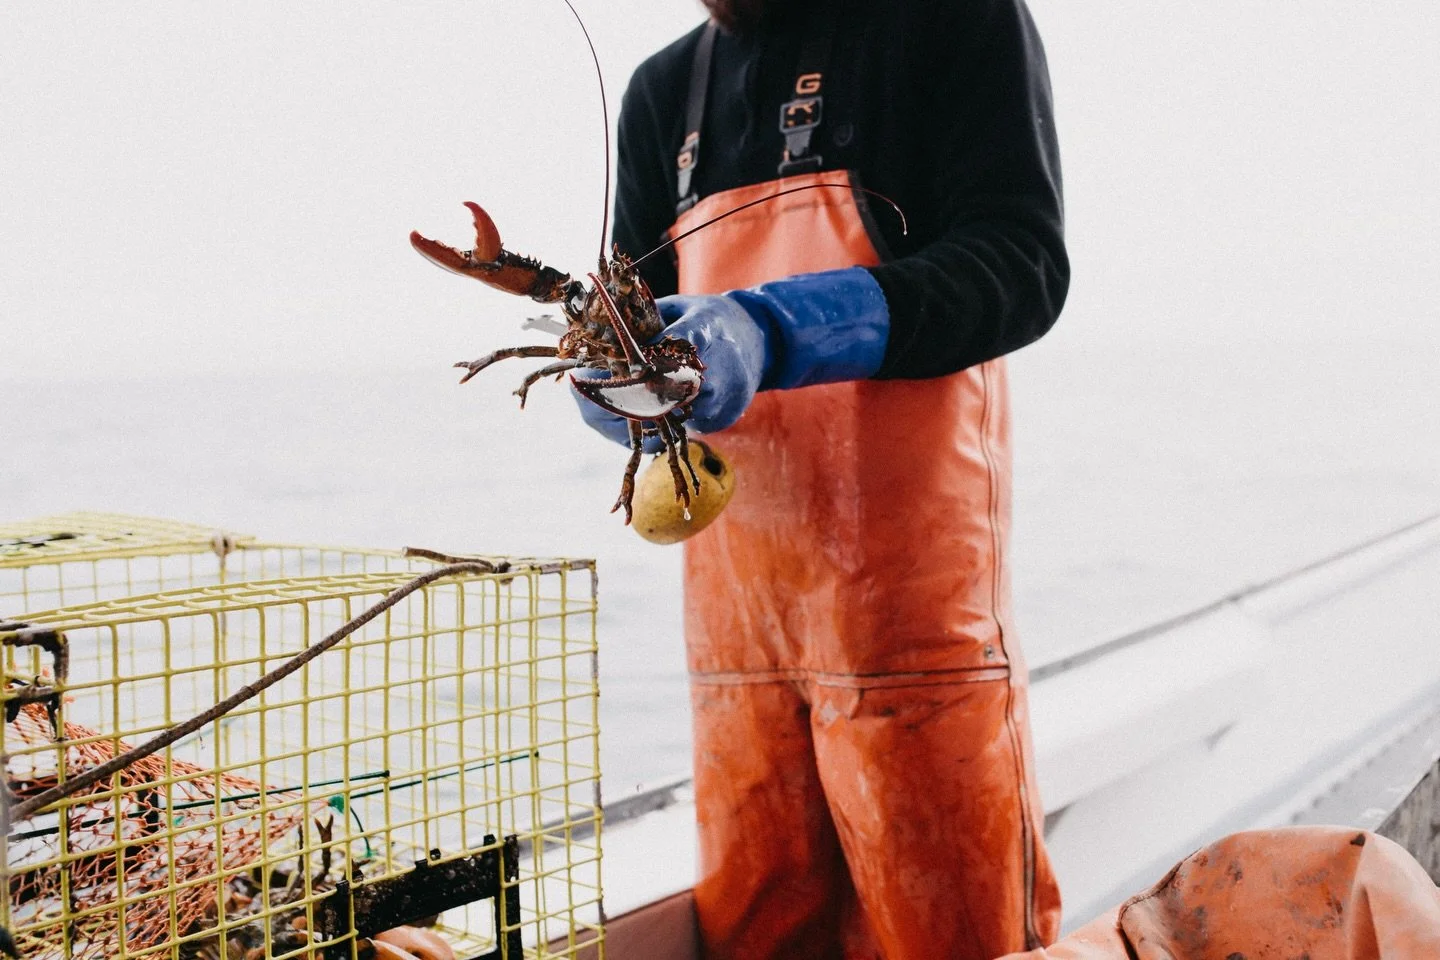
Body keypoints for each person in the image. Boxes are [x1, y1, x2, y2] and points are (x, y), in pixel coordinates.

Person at [576, 0, 1068, 956]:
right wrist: (610, 380)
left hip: (916, 631)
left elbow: (1023, 260)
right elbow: (625, 306)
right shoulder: (658, 95)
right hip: (734, 647)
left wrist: (780, 325)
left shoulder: (956, 22)